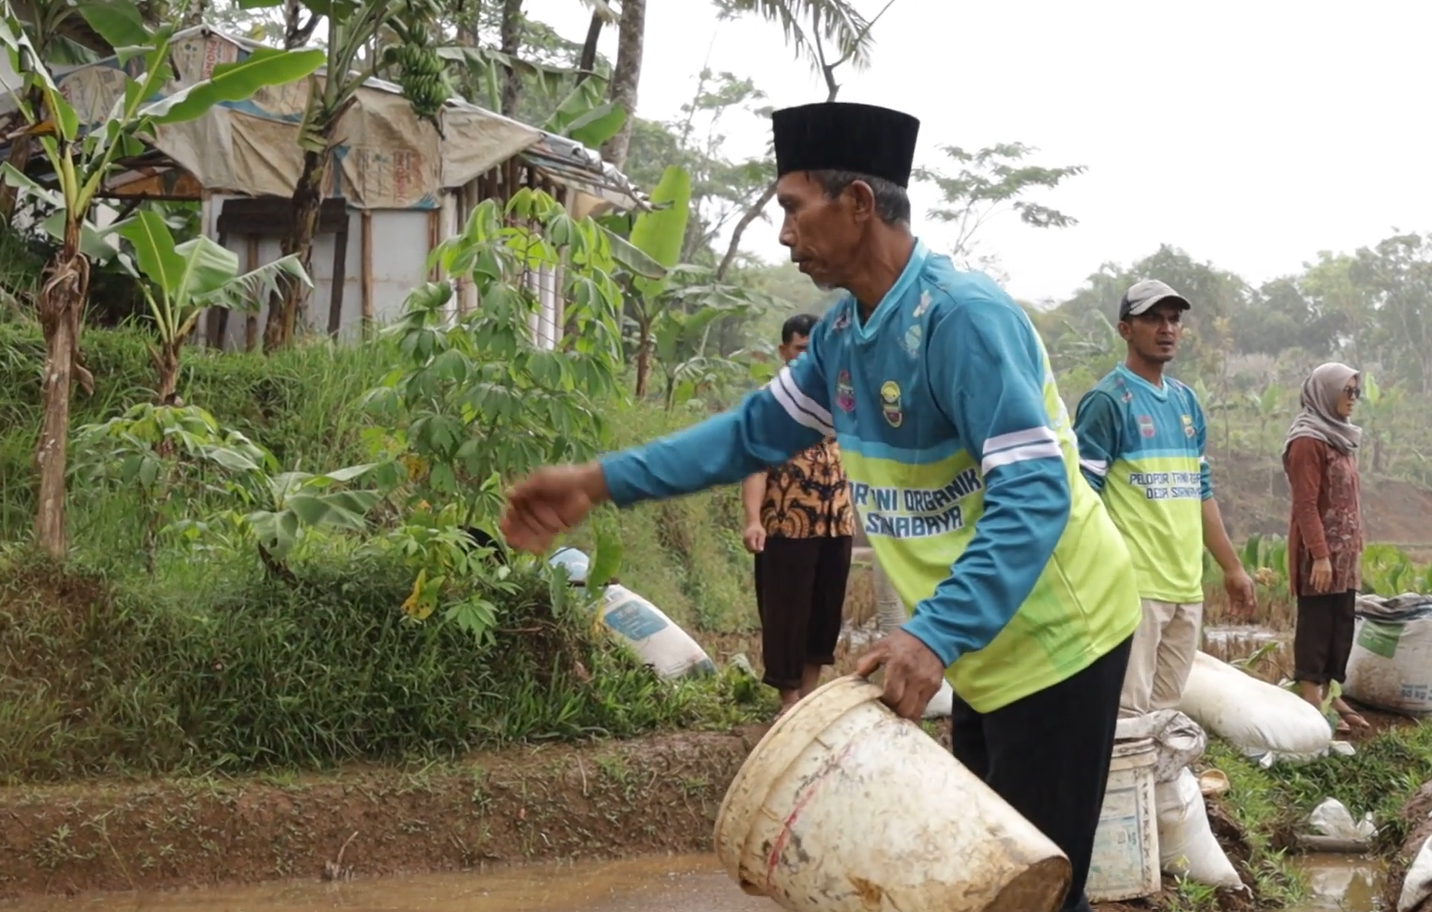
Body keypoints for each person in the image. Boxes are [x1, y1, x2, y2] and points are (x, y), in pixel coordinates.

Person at [499, 100, 1140, 912]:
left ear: (859, 205)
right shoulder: (844, 337)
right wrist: (598, 481)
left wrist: (933, 633)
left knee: (1035, 890)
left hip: (1060, 633)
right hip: (986, 645)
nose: (783, 234)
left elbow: (1035, 494)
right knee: (992, 879)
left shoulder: (962, 320)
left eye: (793, 209)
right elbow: (748, 436)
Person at [1074, 279, 1255, 728]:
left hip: (1184, 586)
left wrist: (1232, 569)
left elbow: (1201, 491)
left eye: (1173, 319)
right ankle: (1116, 799)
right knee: (1126, 715)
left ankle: (1156, 799)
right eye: (1152, 318)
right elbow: (1081, 499)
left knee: (1165, 712)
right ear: (1125, 328)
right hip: (1134, 586)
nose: (1166, 328)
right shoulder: (1107, 401)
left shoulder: (1185, 402)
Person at [741, 313, 856, 715]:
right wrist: (754, 520)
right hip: (787, 524)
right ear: (784, 351)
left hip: (837, 522)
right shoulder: (768, 402)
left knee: (825, 613)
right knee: (786, 614)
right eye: (801, 350)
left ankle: (808, 698)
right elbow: (754, 465)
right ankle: (788, 701)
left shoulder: (841, 399)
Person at [1282, 362, 1370, 735]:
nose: (1352, 399)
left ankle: (1332, 692)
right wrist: (1319, 554)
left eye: (1356, 392)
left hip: (1345, 552)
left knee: (1340, 623)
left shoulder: (1341, 437)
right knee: (1316, 623)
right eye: (1346, 391)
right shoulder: (1308, 440)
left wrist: (1352, 547)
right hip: (1319, 552)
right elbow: (1305, 504)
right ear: (1325, 393)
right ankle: (1309, 697)